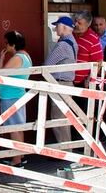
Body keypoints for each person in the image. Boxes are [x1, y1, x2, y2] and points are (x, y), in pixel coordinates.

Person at [0, 30, 32, 168]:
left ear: (13, 44)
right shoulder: (25, 56)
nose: (5, 46)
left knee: (14, 128)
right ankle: (20, 156)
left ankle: (16, 161)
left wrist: (1, 59)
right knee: (18, 127)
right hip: (16, 95)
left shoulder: (17, 58)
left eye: (6, 43)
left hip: (11, 96)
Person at [43, 16, 77, 144]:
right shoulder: (73, 42)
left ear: (63, 27)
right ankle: (66, 147)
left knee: (58, 117)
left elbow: (47, 64)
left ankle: (63, 149)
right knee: (64, 117)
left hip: (60, 83)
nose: (55, 29)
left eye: (57, 26)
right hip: (68, 84)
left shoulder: (62, 45)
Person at [73, 11, 103, 87]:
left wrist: (89, 79)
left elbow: (98, 62)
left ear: (88, 25)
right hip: (67, 80)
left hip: (82, 82)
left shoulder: (93, 39)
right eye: (75, 21)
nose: (76, 24)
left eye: (79, 23)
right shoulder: (70, 33)